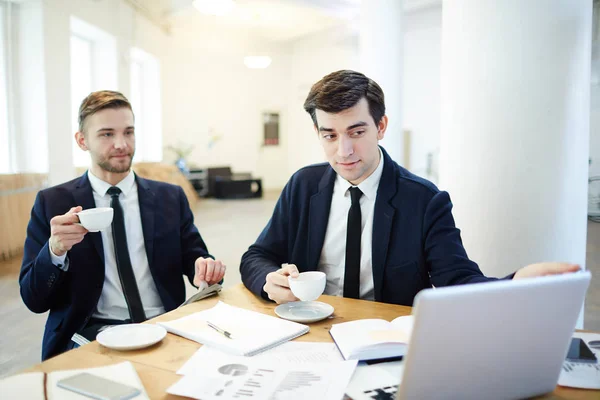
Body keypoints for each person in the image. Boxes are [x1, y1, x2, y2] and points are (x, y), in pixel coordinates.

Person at [240, 69, 579, 305]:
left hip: (384, 337)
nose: (343, 151)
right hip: (308, 330)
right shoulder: (303, 185)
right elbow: (257, 256)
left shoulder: (424, 200)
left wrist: (514, 284)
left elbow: (457, 280)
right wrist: (270, 280)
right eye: (329, 135)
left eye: (357, 132)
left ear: (381, 126)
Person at [20, 90, 226, 360]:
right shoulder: (53, 203)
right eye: (107, 134)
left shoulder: (169, 197)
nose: (121, 143)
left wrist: (204, 267)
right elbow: (34, 300)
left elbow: (195, 256)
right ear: (82, 141)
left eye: (128, 132)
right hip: (92, 336)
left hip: (165, 328)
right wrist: (55, 250)